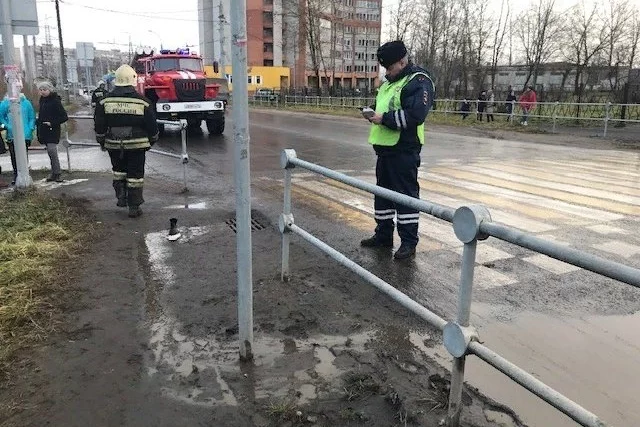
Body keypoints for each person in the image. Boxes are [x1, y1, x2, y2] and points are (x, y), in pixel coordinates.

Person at [360, 40, 435, 260]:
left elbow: (415, 115)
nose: (387, 71)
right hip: (384, 150)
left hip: (404, 150)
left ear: (402, 61)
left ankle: (409, 242)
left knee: (406, 198)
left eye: (390, 67)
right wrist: (374, 115)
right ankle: (383, 235)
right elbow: (386, 108)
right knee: (382, 195)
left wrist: (383, 119)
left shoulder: (418, 81)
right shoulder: (389, 82)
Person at [94, 64, 159, 218]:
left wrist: (102, 140)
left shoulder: (104, 102)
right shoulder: (143, 102)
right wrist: (151, 140)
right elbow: (152, 127)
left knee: (118, 171)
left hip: (114, 145)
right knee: (135, 175)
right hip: (137, 145)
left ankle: (121, 198)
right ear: (133, 80)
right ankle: (134, 207)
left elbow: (99, 125)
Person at [0, 91, 36, 185]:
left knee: (24, 154)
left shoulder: (26, 103)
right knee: (13, 155)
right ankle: (16, 174)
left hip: (26, 134)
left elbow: (31, 116)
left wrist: (30, 128)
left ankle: (25, 173)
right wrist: (7, 126)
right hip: (11, 135)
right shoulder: (5, 103)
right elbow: (1, 117)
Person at [36, 81, 68, 182]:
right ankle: (54, 172)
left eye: (44, 90)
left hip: (53, 129)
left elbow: (64, 117)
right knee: (50, 152)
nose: (42, 92)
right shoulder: (42, 100)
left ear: (50, 90)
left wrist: (52, 123)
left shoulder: (55, 101)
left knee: (52, 150)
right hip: (44, 129)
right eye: (41, 90)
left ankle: (57, 173)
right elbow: (41, 114)